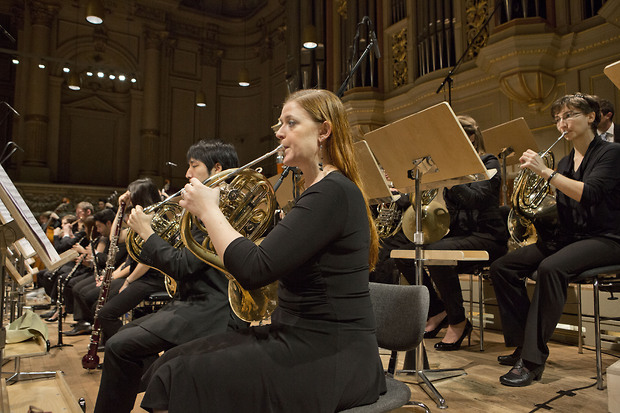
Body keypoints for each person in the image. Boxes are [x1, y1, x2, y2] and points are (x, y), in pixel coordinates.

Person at [140, 89, 386, 413]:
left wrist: (210, 212)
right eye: (279, 124)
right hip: (300, 339)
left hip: (333, 356)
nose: (280, 133)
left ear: (324, 131)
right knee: (169, 364)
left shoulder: (333, 192)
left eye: (291, 123)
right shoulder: (317, 192)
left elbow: (254, 270)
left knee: (178, 374)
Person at [93, 140, 248, 413]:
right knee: (123, 341)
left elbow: (182, 266)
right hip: (190, 303)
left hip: (211, 310)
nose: (187, 174)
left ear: (217, 169)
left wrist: (148, 233)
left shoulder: (223, 211)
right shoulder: (204, 208)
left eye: (193, 166)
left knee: (119, 345)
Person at [490, 93, 620, 387]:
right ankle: (524, 343)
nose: (563, 123)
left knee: (551, 268)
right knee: (503, 268)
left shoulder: (611, 154)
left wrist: (545, 173)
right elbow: (563, 206)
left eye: (570, 115)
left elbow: (590, 194)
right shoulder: (564, 162)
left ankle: (533, 362)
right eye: (558, 118)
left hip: (608, 238)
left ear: (591, 117)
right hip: (572, 237)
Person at [395, 115, 508, 350]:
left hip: (487, 236)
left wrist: (449, 179)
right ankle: (439, 310)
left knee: (437, 253)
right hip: (460, 237)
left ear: (471, 137)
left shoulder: (489, 162)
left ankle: (458, 321)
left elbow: (477, 199)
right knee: (404, 254)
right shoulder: (455, 167)